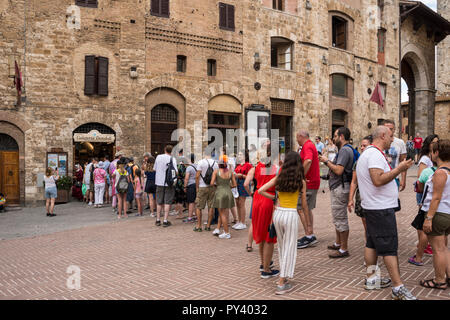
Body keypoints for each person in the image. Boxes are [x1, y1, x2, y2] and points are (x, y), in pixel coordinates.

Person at [356, 125, 415, 300]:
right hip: (379, 209)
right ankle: (398, 287)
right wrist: (400, 169)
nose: (392, 139)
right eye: (390, 136)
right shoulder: (373, 154)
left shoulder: (370, 153)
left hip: (374, 207)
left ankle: (371, 279)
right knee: (389, 248)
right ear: (382, 136)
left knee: (372, 244)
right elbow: (377, 179)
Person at [258, 151, 310, 295]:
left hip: (278, 213)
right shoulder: (301, 181)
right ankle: (282, 281)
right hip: (290, 214)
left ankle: (284, 276)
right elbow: (304, 205)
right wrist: (308, 225)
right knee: (290, 248)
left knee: (281, 246)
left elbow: (261, 190)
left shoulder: (279, 177)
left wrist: (274, 198)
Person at [244, 144, 280, 278]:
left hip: (257, 198)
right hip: (268, 199)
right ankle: (266, 270)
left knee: (259, 232)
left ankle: (264, 263)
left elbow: (246, 184)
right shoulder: (276, 169)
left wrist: (251, 194)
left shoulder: (256, 167)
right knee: (269, 235)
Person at [319, 127, 355, 258]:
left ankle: (344, 249)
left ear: (341, 137)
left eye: (335, 136)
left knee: (341, 218)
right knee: (337, 217)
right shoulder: (345, 150)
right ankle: (338, 243)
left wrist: (326, 161)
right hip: (339, 186)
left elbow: (339, 170)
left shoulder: (345, 150)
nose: (333, 138)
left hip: (340, 187)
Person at [419, 139, 450, 290]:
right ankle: (448, 276)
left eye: (432, 151)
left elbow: (436, 197)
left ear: (437, 153)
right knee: (443, 248)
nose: (431, 154)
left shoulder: (440, 173)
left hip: (439, 213)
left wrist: (429, 218)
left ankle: (439, 280)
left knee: (437, 249)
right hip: (447, 213)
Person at [412, 134, 440, 260]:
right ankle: (423, 246)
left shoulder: (434, 157)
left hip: (431, 192)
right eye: (433, 142)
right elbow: (420, 177)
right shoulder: (425, 158)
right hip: (424, 192)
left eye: (437, 142)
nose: (435, 144)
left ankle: (424, 246)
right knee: (421, 224)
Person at [296, 130, 320, 249]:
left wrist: (301, 176)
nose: (296, 140)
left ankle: (309, 235)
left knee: (301, 208)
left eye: (297, 137)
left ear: (301, 136)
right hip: (312, 182)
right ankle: (310, 234)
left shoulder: (307, 146)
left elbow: (308, 161)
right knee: (307, 209)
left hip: (309, 183)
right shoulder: (309, 145)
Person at [347, 135, 373, 238]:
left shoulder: (377, 160)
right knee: (366, 224)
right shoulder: (358, 162)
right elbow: (354, 182)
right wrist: (350, 199)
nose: (362, 148)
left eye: (364, 146)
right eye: (361, 146)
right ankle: (369, 244)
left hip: (374, 196)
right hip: (361, 196)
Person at [210, 155, 237, 239]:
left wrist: (217, 186)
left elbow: (211, 183)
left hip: (220, 192)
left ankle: (226, 232)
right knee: (224, 213)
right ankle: (218, 229)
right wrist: (228, 187)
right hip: (228, 192)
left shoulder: (216, 171)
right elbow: (235, 184)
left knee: (222, 214)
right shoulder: (230, 172)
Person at [154, 145, 178, 227]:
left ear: (164, 149)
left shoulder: (158, 157)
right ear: (171, 151)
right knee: (167, 201)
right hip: (169, 183)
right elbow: (175, 171)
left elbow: (155, 169)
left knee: (159, 201)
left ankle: (157, 220)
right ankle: (165, 220)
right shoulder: (173, 159)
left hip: (159, 182)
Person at [195, 150, 218, 232]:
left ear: (204, 153)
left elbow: (197, 176)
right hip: (212, 187)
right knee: (211, 206)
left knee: (199, 206)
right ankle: (208, 225)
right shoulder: (215, 163)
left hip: (202, 186)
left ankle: (199, 226)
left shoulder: (201, 162)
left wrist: (197, 187)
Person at [383, 120, 407, 192]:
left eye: (390, 129)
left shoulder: (400, 142)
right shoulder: (379, 141)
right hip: (381, 177)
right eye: (386, 128)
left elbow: (403, 162)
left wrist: (403, 179)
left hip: (394, 178)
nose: (388, 131)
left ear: (394, 130)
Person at [234, 150, 253, 232]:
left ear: (245, 156)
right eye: (238, 154)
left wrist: (241, 175)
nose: (239, 156)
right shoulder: (238, 165)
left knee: (242, 203)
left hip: (243, 182)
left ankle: (243, 222)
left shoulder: (248, 165)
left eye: (241, 154)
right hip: (237, 183)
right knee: (237, 203)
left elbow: (251, 177)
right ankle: (239, 221)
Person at [183, 153, 197, 224]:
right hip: (197, 185)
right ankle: (196, 216)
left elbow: (186, 178)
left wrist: (185, 186)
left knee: (191, 202)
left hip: (191, 185)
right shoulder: (197, 166)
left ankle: (190, 217)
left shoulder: (189, 167)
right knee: (195, 201)